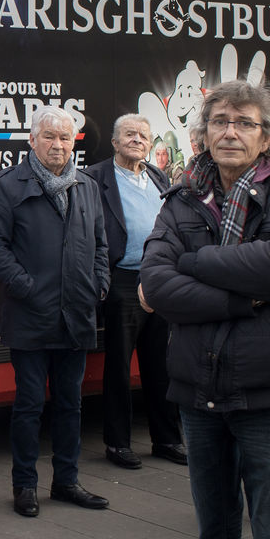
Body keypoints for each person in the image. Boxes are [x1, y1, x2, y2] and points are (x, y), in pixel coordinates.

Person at [140, 81, 270, 539]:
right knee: (215, 537)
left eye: (244, 123)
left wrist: (193, 261)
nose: (231, 132)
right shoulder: (182, 200)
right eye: (220, 121)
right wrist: (244, 297)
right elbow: (157, 284)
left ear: (265, 137)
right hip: (198, 390)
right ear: (204, 133)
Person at [0, 105, 110, 518]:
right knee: (30, 405)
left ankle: (67, 482)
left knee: (71, 405)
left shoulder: (86, 185)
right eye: (50, 136)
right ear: (32, 140)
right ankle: (25, 486)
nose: (58, 145)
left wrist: (99, 285)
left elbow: (101, 243)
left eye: (65, 137)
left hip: (77, 314)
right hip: (31, 315)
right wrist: (26, 287)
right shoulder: (8, 185)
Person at [87, 114, 182, 471]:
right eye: (129, 134)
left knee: (162, 364)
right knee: (119, 366)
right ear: (115, 142)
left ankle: (167, 439)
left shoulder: (157, 176)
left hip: (159, 277)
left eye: (143, 135)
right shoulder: (95, 178)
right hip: (122, 280)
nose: (137, 140)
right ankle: (118, 443)